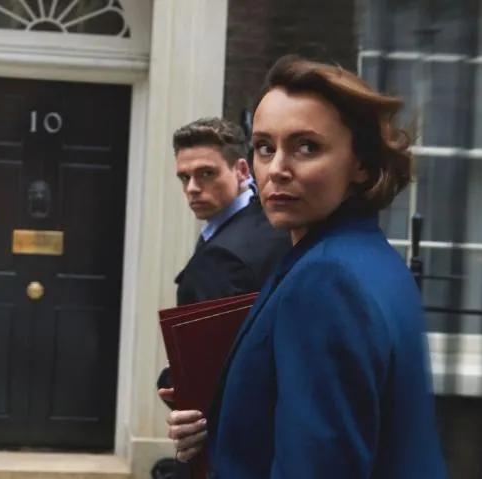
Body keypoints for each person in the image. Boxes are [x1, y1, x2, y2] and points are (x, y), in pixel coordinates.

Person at [166, 56, 448, 478]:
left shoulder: (327, 280)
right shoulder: (369, 256)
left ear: (361, 164)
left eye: (307, 147)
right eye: (265, 147)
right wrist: (218, 428)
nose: (277, 170)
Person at [155, 117, 291, 476]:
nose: (192, 188)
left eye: (206, 174)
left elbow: (208, 371)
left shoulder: (223, 258)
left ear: (241, 169)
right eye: (184, 177)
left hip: (227, 444)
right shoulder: (272, 224)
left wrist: (171, 383)